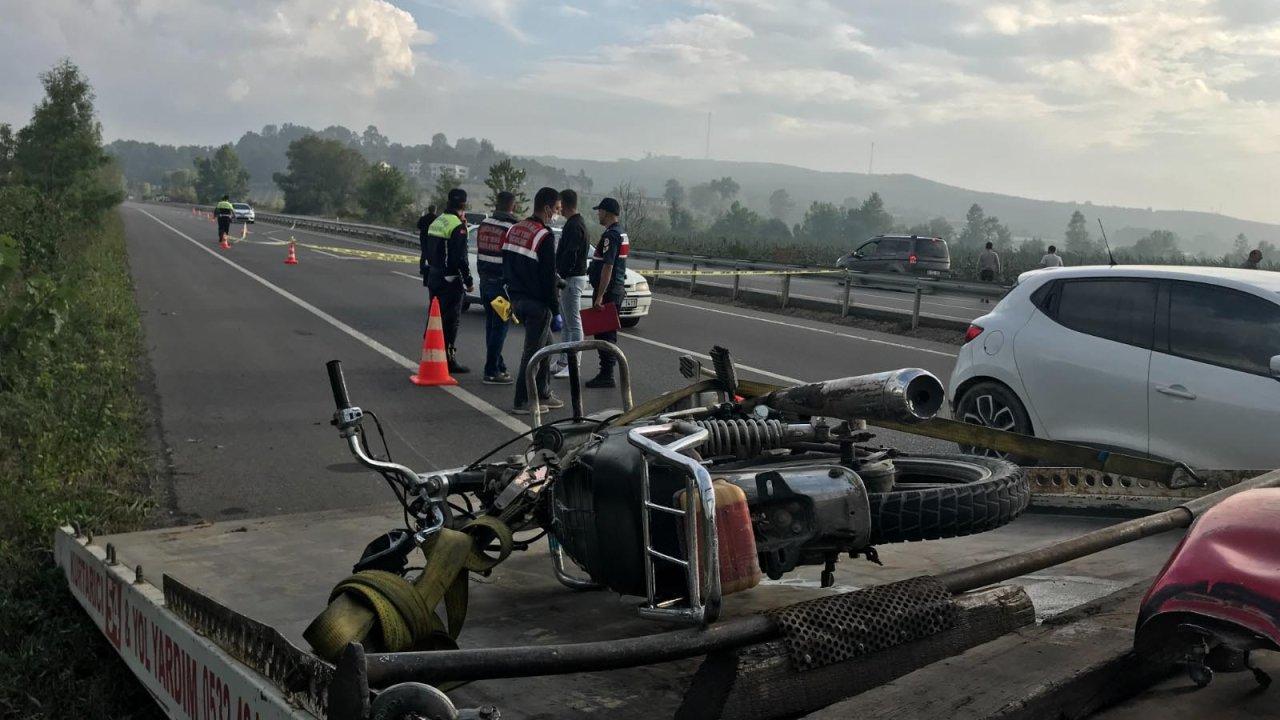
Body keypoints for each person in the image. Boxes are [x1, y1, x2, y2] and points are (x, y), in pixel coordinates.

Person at [504, 187, 565, 414]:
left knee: (547, 347)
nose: (557, 213)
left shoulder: (515, 229)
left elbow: (508, 264)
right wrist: (555, 308)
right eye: (557, 209)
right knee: (533, 354)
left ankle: (544, 393)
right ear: (547, 208)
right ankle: (523, 400)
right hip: (538, 304)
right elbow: (547, 277)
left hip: (517, 298)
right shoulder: (544, 236)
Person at [424, 189, 473, 374]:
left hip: (434, 275)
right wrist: (468, 281)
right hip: (450, 279)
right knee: (451, 321)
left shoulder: (437, 220)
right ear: (463, 205)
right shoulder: (457, 226)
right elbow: (460, 258)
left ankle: (430, 352)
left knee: (434, 318)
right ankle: (449, 360)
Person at [585, 197, 629, 389]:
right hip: (615, 290)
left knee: (605, 335)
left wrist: (600, 296)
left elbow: (608, 267)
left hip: (609, 292)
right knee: (604, 333)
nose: (598, 214)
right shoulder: (620, 233)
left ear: (608, 213)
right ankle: (606, 373)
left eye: (600, 210)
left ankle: (607, 374)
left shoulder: (611, 236)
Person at [475, 192, 519, 384]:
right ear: (513, 206)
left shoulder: (484, 224)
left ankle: (498, 365)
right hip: (502, 286)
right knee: (500, 328)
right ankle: (492, 371)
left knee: (491, 326)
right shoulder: (511, 227)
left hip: (485, 282)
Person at [553, 189, 589, 378]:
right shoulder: (573, 224)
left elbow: (571, 254)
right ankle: (563, 361)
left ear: (564, 204)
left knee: (574, 324)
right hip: (570, 278)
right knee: (567, 323)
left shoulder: (575, 226)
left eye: (559, 204)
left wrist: (562, 274)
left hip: (572, 279)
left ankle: (573, 365)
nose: (558, 209)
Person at [416, 204, 437, 278]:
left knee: (424, 252)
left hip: (423, 237)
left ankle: (422, 269)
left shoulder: (423, 218)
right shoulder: (436, 219)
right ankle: (431, 269)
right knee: (431, 253)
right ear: (435, 210)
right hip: (431, 237)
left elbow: (418, 226)